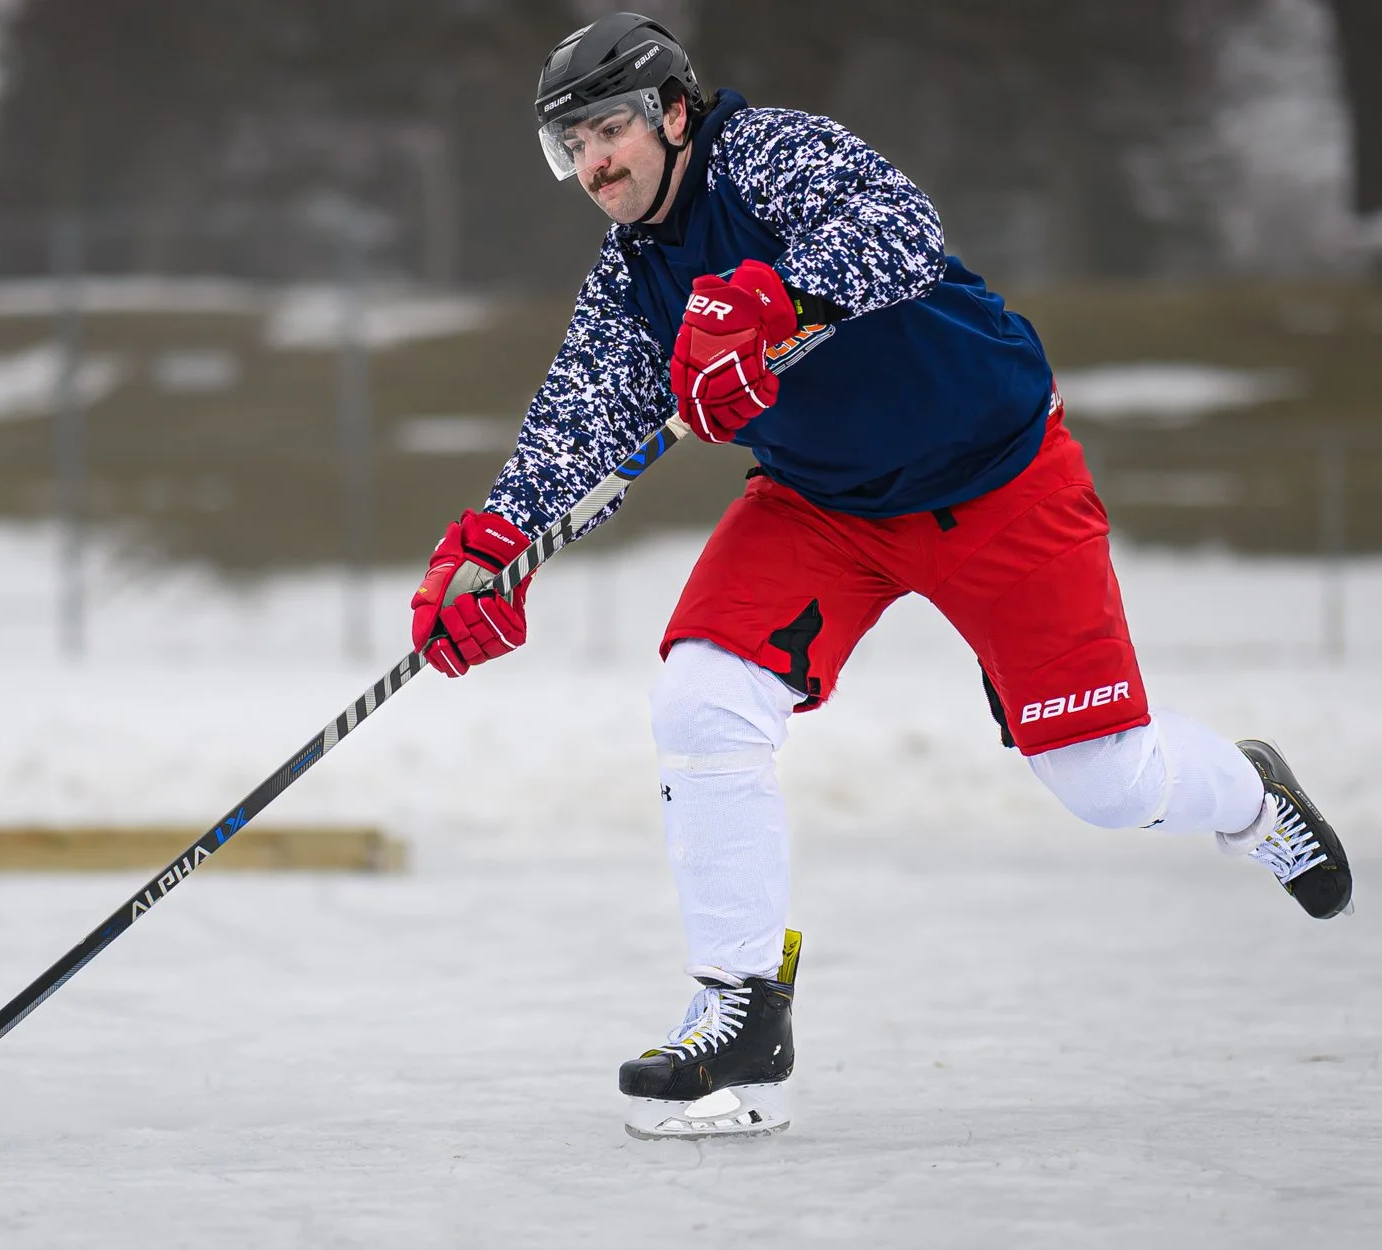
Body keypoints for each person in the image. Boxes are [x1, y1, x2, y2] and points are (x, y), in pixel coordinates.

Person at [407, 12, 1354, 1142]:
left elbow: (899, 227)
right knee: (702, 694)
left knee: (1104, 778)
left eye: (610, 129)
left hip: (996, 479)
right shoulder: (629, 280)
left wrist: (769, 300)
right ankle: (740, 1007)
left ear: (672, 111)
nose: (596, 164)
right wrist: (493, 546)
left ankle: (1248, 797)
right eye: (574, 147)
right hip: (826, 505)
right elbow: (575, 425)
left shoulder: (765, 155)